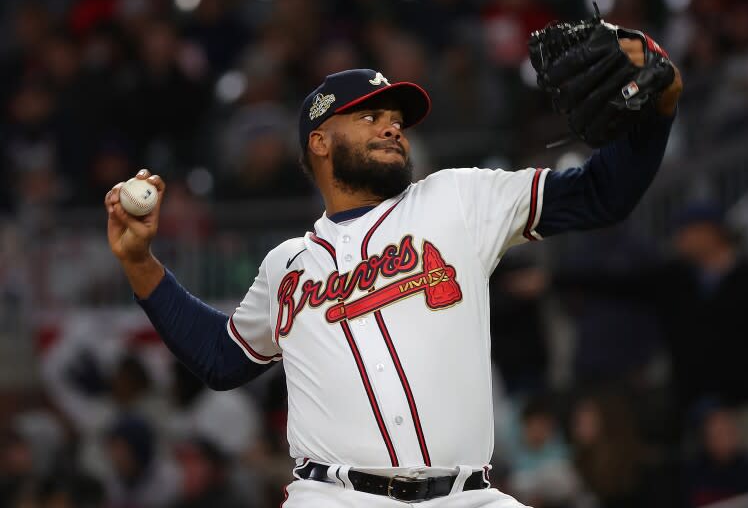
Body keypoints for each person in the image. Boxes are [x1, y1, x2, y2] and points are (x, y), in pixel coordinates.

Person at [104, 35, 682, 505]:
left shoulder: (458, 198)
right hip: (335, 499)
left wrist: (659, 109)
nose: (392, 126)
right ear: (321, 142)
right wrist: (139, 262)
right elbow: (220, 359)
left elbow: (603, 194)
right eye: (372, 116)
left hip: (467, 497)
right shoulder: (288, 267)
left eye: (396, 119)